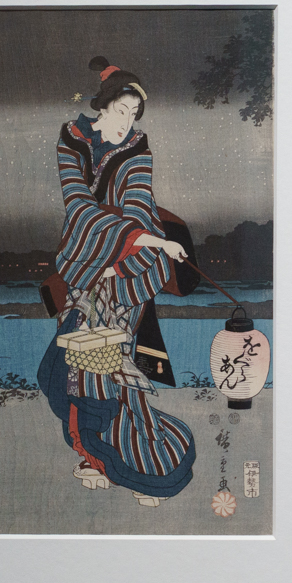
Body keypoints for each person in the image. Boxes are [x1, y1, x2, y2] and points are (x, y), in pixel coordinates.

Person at [37, 57, 197, 507]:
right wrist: (140, 243)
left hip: (126, 276)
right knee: (72, 369)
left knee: (113, 372)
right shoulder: (72, 140)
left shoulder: (137, 149)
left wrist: (145, 246)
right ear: (103, 106)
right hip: (84, 262)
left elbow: (139, 204)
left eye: (134, 113)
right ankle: (91, 456)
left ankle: (147, 469)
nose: (128, 121)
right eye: (122, 110)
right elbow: (78, 206)